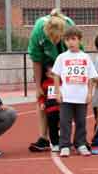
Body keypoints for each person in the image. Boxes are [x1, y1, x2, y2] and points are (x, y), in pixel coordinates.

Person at [52, 26, 98, 158]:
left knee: (81, 122)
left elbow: (91, 77)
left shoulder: (85, 57)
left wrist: (90, 93)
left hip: (81, 96)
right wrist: (58, 92)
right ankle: (64, 145)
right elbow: (56, 75)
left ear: (79, 40)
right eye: (67, 40)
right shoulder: (61, 57)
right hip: (66, 96)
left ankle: (80, 144)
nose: (71, 42)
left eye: (73, 39)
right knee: (65, 122)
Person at [27, 10, 74, 152]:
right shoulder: (37, 32)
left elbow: (76, 54)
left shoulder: (70, 27)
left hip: (67, 64)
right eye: (51, 38)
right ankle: (44, 137)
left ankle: (65, 134)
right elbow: (36, 60)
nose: (53, 41)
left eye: (56, 38)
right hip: (46, 66)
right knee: (43, 98)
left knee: (68, 98)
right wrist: (37, 87)